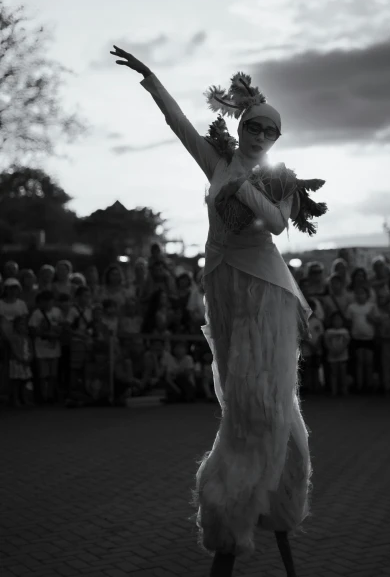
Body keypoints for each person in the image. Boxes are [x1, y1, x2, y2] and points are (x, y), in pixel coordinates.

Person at [111, 45, 327, 577]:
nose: (258, 137)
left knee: (259, 408)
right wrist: (153, 80)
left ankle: (233, 513)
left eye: (268, 133)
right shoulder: (218, 160)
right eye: (253, 128)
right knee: (243, 406)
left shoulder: (280, 179)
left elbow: (278, 225)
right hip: (224, 290)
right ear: (242, 126)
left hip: (264, 291)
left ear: (276, 140)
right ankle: (266, 508)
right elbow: (179, 124)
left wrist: (246, 189)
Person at [323, 311, 350, 397]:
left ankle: (344, 390)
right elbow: (326, 341)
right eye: (335, 320)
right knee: (333, 373)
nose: (337, 322)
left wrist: (340, 350)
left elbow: (347, 341)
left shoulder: (345, 331)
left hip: (342, 354)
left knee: (343, 372)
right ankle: (334, 390)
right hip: (332, 354)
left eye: (339, 320)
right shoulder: (328, 331)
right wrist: (332, 349)